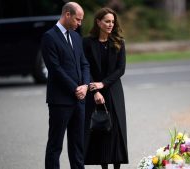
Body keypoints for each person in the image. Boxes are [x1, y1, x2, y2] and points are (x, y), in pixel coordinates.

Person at [41, 2, 90, 169]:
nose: (79, 23)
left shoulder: (76, 37)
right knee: (55, 145)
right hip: (60, 101)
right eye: (78, 19)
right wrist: (75, 88)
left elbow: (84, 64)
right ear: (67, 14)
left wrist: (85, 86)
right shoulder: (49, 37)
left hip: (79, 100)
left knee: (77, 145)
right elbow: (55, 68)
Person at [83, 7, 128, 169]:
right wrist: (95, 91)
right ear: (98, 22)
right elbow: (85, 68)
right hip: (95, 93)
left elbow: (120, 69)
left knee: (116, 131)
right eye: (107, 21)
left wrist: (104, 84)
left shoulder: (118, 42)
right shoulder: (87, 43)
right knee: (100, 130)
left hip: (114, 92)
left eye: (112, 22)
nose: (110, 25)